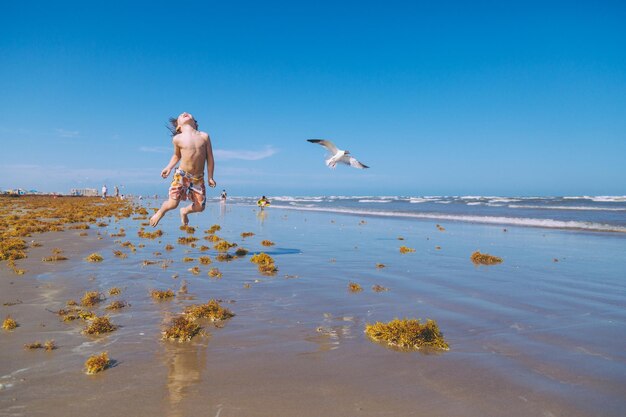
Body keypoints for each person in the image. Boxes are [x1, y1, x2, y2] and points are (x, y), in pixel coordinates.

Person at [150, 112, 216, 226]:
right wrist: (168, 167)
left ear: (195, 123)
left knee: (200, 207)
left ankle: (184, 211)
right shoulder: (177, 139)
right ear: (178, 127)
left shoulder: (204, 136)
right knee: (172, 204)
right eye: (181, 115)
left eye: (188, 114)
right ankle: (160, 212)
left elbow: (210, 157)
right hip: (181, 175)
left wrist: (210, 177)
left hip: (198, 178)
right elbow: (176, 156)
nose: (184, 113)